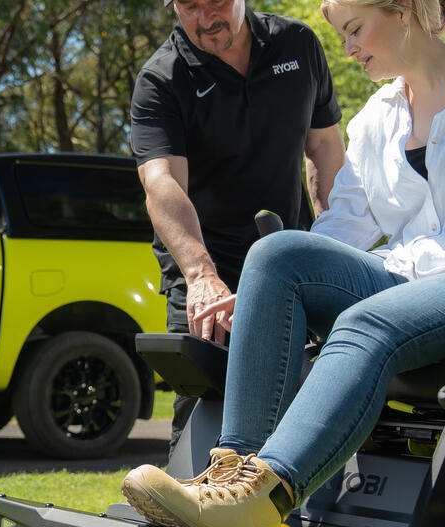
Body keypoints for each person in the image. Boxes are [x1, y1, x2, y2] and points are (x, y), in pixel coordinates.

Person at [121, 0, 445, 527]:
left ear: (403, 10)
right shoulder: (379, 118)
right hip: (416, 282)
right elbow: (341, 228)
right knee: (276, 253)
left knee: (367, 321)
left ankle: (266, 498)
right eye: (342, 35)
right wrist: (266, 293)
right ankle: (232, 476)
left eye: (355, 29)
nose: (349, 48)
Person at [131, 0, 347, 449]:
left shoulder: (298, 44)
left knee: (301, 413)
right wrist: (200, 275)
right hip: (208, 277)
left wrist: (340, 241)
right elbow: (162, 181)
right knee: (205, 422)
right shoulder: (162, 77)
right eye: (190, 5)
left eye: (218, 2)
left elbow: (324, 146)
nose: (207, 17)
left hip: (291, 268)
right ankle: (190, 518)